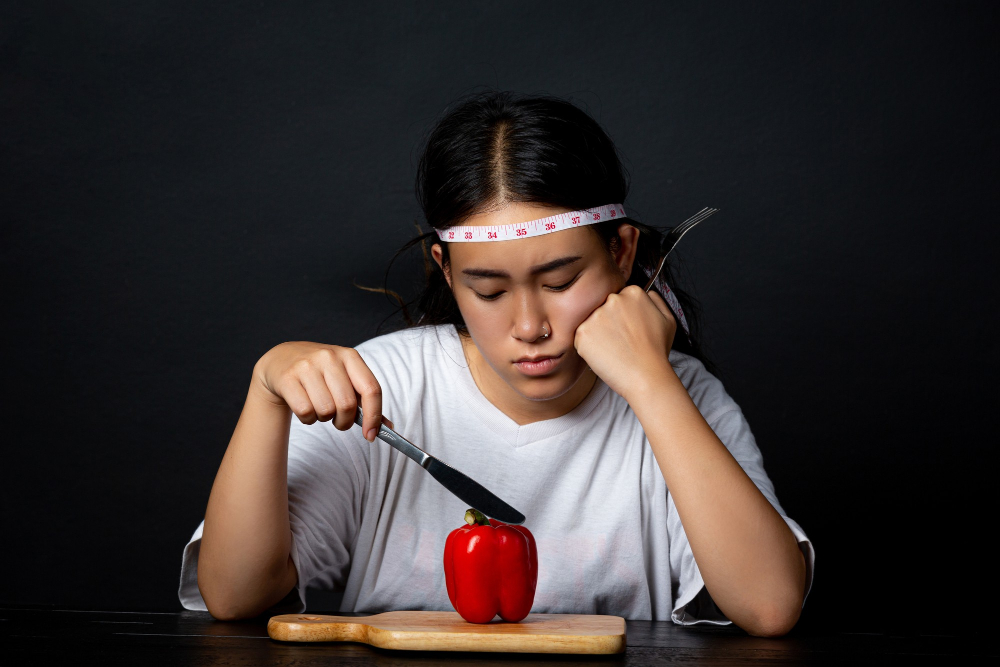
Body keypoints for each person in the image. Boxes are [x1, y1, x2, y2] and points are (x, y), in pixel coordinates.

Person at [178, 91, 814, 637]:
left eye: (562, 280)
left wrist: (652, 382)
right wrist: (265, 395)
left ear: (622, 253)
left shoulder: (683, 397)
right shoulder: (383, 387)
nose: (529, 327)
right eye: (488, 291)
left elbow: (769, 604)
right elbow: (235, 596)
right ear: (446, 271)